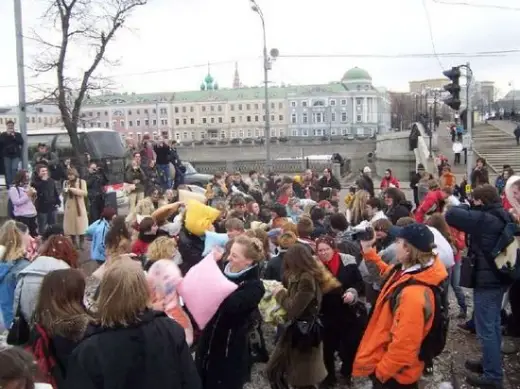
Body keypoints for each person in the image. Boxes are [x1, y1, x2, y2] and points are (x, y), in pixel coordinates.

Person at [65, 260, 201, 389]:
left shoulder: (88, 352)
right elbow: (191, 382)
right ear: (144, 292)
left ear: (104, 294)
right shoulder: (170, 330)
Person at [353, 223, 448, 389]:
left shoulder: (413, 295)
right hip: (396, 370)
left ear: (408, 249)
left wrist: (381, 373)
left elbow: (405, 346)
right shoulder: (414, 271)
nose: (394, 245)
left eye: (398, 241)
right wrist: (369, 252)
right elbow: (390, 274)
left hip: (396, 376)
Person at [445, 184, 512, 388]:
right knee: (491, 325)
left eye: (474, 200)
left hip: (488, 281)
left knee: (486, 329)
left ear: (481, 201)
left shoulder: (485, 219)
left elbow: (451, 215)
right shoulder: (499, 215)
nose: (472, 204)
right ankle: (489, 363)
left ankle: (493, 376)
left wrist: (468, 206)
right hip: (497, 277)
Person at [196, 236, 265, 389]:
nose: (229, 258)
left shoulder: (254, 287)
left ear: (248, 261)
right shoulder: (224, 269)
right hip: (208, 338)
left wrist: (210, 279)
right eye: (230, 253)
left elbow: (229, 306)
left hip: (229, 346)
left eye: (235, 256)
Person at [266, 244, 328, 389]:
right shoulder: (302, 275)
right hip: (295, 330)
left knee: (302, 381)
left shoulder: (306, 279)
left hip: (303, 333)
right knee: (275, 371)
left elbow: (294, 309)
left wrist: (279, 294)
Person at [0, 220, 30, 328]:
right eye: (28, 234)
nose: (30, 238)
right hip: (12, 323)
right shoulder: (22, 266)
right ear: (22, 237)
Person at [63, 168, 88, 250]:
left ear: (75, 174)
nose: (69, 177)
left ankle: (81, 242)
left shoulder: (82, 182)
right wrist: (65, 191)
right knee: (71, 226)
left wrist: (73, 190)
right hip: (69, 206)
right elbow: (64, 194)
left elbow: (84, 193)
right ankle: (74, 242)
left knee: (81, 226)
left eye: (71, 175)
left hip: (79, 207)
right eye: (68, 175)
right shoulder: (66, 182)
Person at [9, 170, 38, 237]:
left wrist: (34, 196)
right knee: (24, 235)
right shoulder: (14, 189)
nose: (28, 178)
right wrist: (28, 195)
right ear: (21, 177)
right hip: (22, 216)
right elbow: (16, 202)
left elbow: (30, 202)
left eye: (28, 176)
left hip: (32, 214)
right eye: (26, 176)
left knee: (33, 235)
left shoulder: (28, 187)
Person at [0, 120, 23, 188]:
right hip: (6, 155)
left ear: (13, 126)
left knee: (14, 169)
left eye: (11, 125)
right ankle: (9, 186)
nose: (10, 127)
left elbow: (21, 142)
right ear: (6, 126)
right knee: (7, 171)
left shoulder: (17, 134)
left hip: (15, 155)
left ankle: (14, 184)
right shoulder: (3, 134)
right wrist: (7, 135)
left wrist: (14, 136)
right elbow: (1, 143)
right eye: (9, 125)